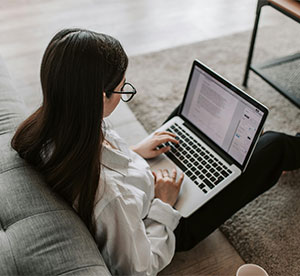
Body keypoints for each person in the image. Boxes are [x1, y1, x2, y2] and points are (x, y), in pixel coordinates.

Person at [11, 28, 300, 275]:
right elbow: (141, 268)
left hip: (143, 184)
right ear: (100, 96)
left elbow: (104, 162)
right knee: (274, 146)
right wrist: (165, 203)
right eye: (123, 91)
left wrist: (134, 153)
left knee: (186, 120)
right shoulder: (110, 198)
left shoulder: (55, 124)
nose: (124, 95)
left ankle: (238, 143)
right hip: (166, 222)